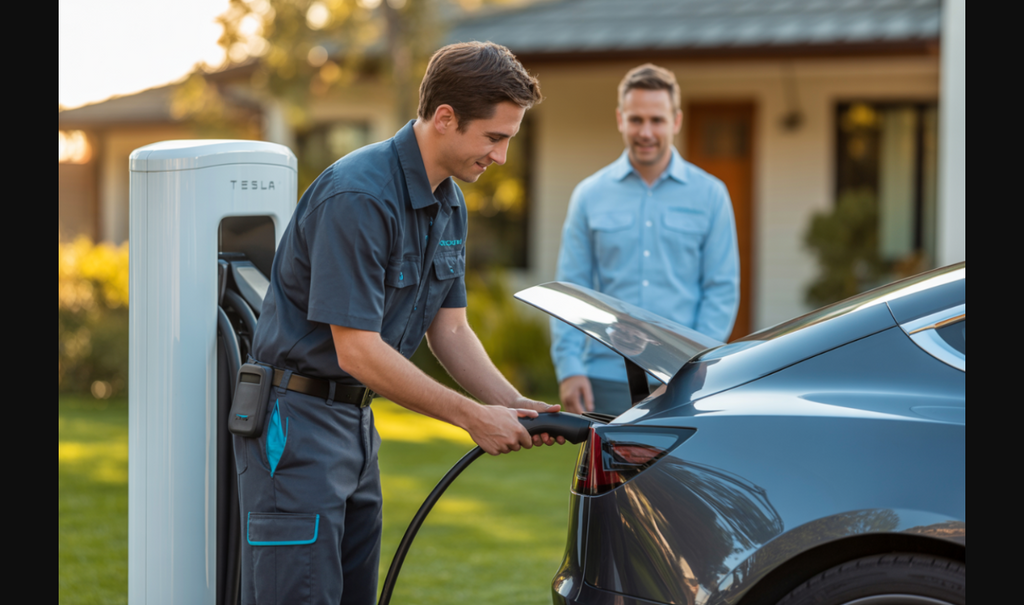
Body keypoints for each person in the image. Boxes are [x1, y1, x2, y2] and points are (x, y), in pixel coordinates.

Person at [238, 42, 560, 605]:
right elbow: (357, 351)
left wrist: (515, 407)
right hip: (297, 427)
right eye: (494, 137)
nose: (502, 157)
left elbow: (451, 330)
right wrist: (470, 417)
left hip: (356, 428)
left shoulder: (448, 202)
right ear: (445, 119)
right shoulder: (359, 197)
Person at [550, 63, 739, 416]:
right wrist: (570, 367)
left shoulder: (711, 195)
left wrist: (690, 365)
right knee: (606, 474)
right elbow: (571, 289)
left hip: (684, 380)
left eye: (657, 120)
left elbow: (721, 290)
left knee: (675, 474)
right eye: (636, 120)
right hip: (602, 380)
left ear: (676, 121)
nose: (646, 131)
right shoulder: (589, 195)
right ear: (620, 119)